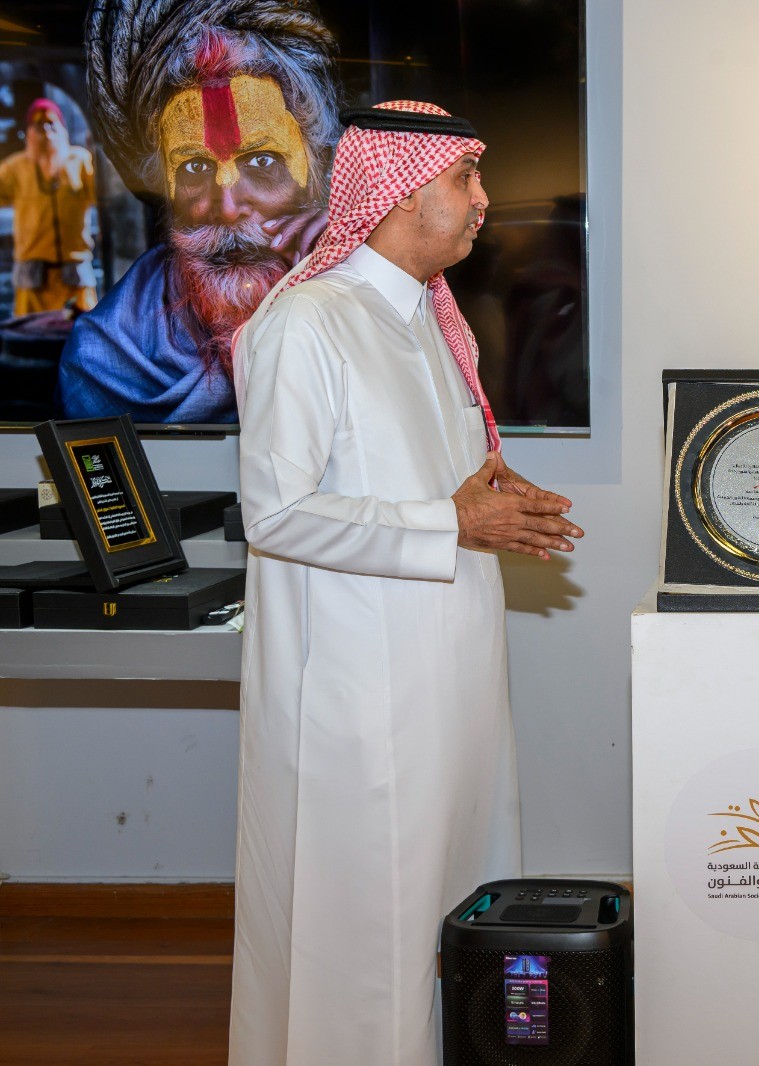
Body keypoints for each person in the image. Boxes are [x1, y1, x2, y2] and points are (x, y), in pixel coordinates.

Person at [229, 100, 585, 1065]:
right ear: (397, 193)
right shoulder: (309, 324)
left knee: (454, 893)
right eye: (465, 178)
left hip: (450, 678)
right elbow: (277, 516)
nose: (483, 200)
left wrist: (491, 500)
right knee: (366, 921)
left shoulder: (428, 318)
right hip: (359, 695)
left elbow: (424, 483)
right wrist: (452, 522)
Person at [58, 0, 341, 422]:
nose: (227, 208)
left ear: (316, 170)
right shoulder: (107, 355)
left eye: (262, 161)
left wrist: (349, 278)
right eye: (194, 167)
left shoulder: (362, 297)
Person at [0, 98, 98, 315]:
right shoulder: (15, 167)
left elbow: (103, 196)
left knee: (81, 332)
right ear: (29, 132)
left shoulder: (80, 160)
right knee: (32, 334)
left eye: (51, 123)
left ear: (62, 129)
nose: (46, 130)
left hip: (75, 276)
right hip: (33, 279)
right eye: (38, 124)